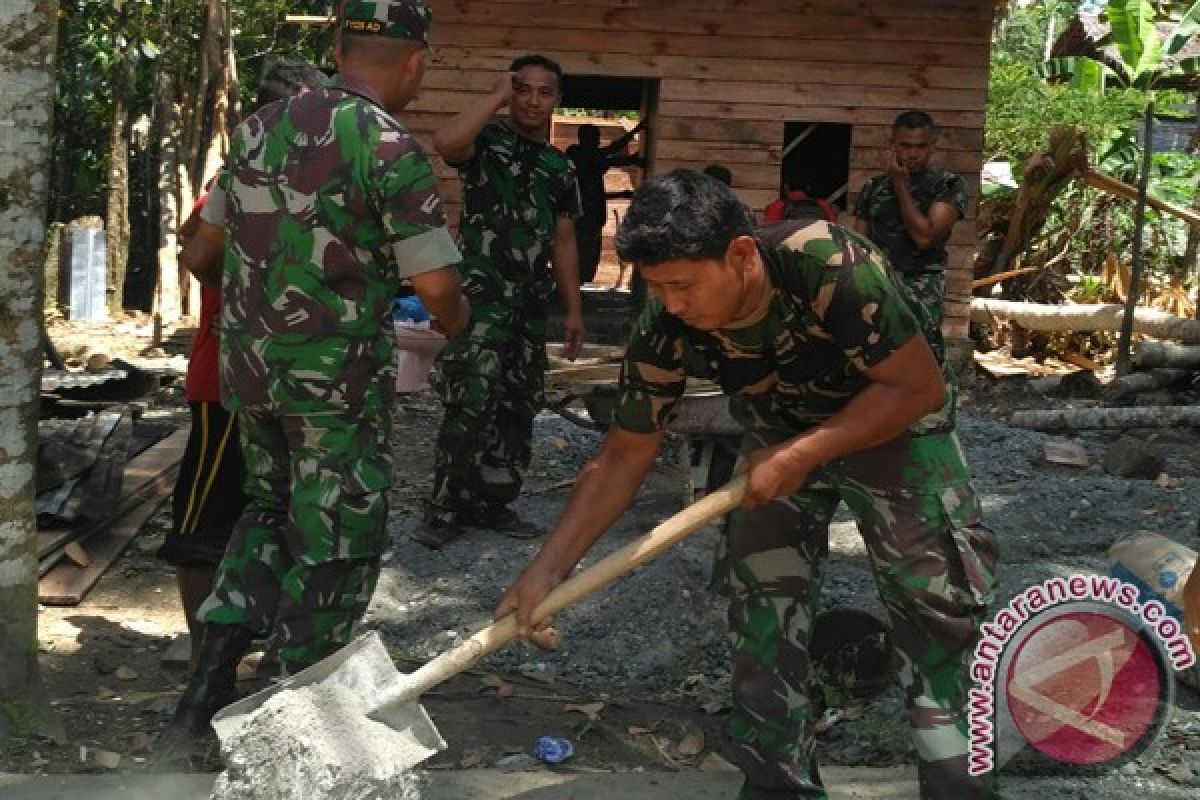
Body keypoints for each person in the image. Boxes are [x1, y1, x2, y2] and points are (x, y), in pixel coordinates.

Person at [498, 170, 997, 800]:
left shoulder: (828, 263)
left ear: (739, 256)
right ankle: (776, 787)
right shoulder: (666, 316)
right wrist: (548, 569)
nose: (672, 303)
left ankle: (963, 791)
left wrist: (808, 451)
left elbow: (917, 387)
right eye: (658, 288)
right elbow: (625, 453)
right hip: (779, 434)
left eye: (682, 285)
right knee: (763, 605)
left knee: (936, 611)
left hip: (895, 423)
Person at [157, 0, 469, 754]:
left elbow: (201, 256)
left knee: (266, 513)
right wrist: (459, 325)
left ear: (336, 44)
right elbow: (435, 289)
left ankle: (206, 689)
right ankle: (287, 730)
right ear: (416, 62)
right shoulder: (391, 148)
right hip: (333, 390)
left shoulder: (260, 128)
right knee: (336, 539)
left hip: (250, 375)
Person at [162, 59, 328, 670]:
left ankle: (251, 652)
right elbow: (198, 252)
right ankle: (207, 669)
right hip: (228, 385)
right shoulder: (237, 180)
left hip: (284, 382)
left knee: (280, 517)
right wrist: (243, 309)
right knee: (204, 528)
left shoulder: (309, 182)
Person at [413, 54, 584, 549]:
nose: (532, 100)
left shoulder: (559, 166)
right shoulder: (486, 142)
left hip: (529, 307)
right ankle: (445, 507)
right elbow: (445, 144)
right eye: (522, 89)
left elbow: (564, 239)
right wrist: (493, 97)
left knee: (517, 404)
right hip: (479, 302)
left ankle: (493, 503)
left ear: (557, 99)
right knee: (470, 398)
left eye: (543, 92)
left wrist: (573, 310)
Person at [853, 110, 967, 363]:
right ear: (893, 145)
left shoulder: (948, 185)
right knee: (877, 358)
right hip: (880, 284)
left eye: (921, 146)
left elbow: (924, 237)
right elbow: (860, 244)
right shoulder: (874, 187)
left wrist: (901, 186)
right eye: (905, 146)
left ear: (933, 146)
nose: (913, 154)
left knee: (924, 358)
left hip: (922, 284)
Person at [565, 119, 647, 284]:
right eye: (594, 138)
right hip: (581, 216)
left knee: (589, 254)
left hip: (593, 216)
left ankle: (576, 286)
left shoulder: (589, 156)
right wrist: (630, 159)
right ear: (584, 139)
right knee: (580, 252)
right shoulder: (575, 154)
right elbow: (604, 159)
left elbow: (607, 153)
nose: (597, 142)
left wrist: (633, 133)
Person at [763, 178, 838, 224]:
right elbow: (833, 225)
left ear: (786, 187)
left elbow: (769, 229)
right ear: (808, 188)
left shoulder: (778, 206)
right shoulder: (823, 205)